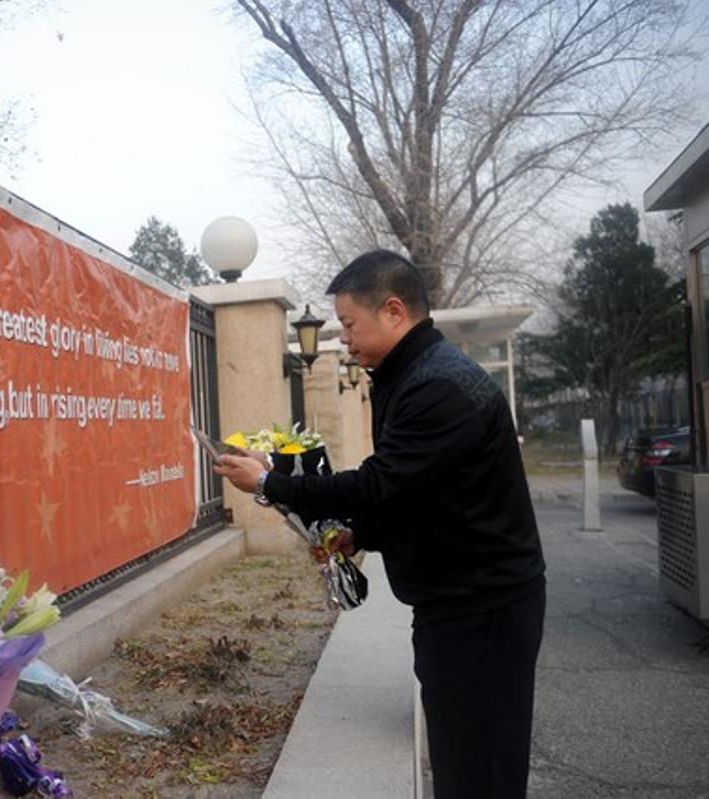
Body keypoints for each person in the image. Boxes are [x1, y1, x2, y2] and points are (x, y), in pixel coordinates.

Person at [215, 250, 546, 799]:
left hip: (482, 611)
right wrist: (360, 535)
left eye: (348, 324)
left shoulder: (437, 387)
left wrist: (271, 484)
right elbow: (420, 493)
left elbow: (377, 483)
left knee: (478, 773)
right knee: (465, 763)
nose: (343, 339)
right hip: (460, 605)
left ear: (393, 311)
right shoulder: (411, 374)